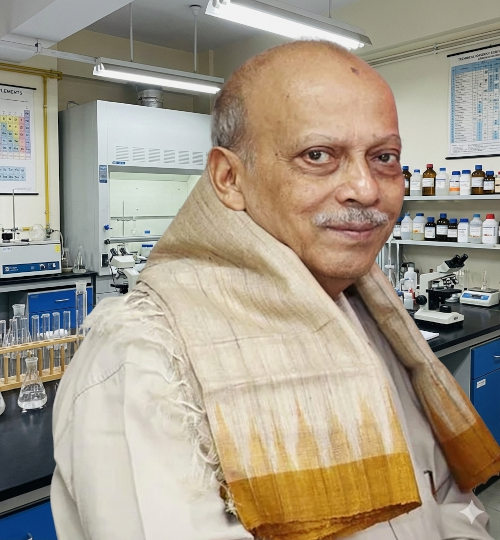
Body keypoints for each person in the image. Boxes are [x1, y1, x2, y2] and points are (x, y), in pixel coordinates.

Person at [51, 40, 500, 540]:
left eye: (384, 157)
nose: (366, 189)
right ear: (229, 178)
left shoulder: (370, 314)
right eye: (317, 155)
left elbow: (445, 497)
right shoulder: (143, 359)